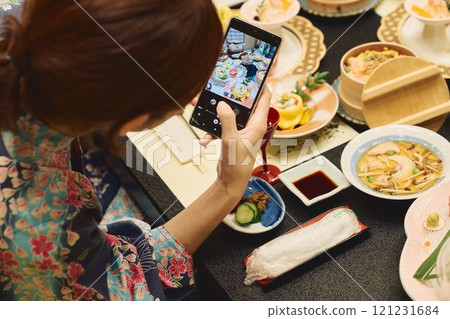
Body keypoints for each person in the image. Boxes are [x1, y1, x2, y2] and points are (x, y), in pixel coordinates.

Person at [0, 0, 270, 300]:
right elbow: (127, 289)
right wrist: (227, 187)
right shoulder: (40, 217)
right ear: (133, 121)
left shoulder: (29, 21)